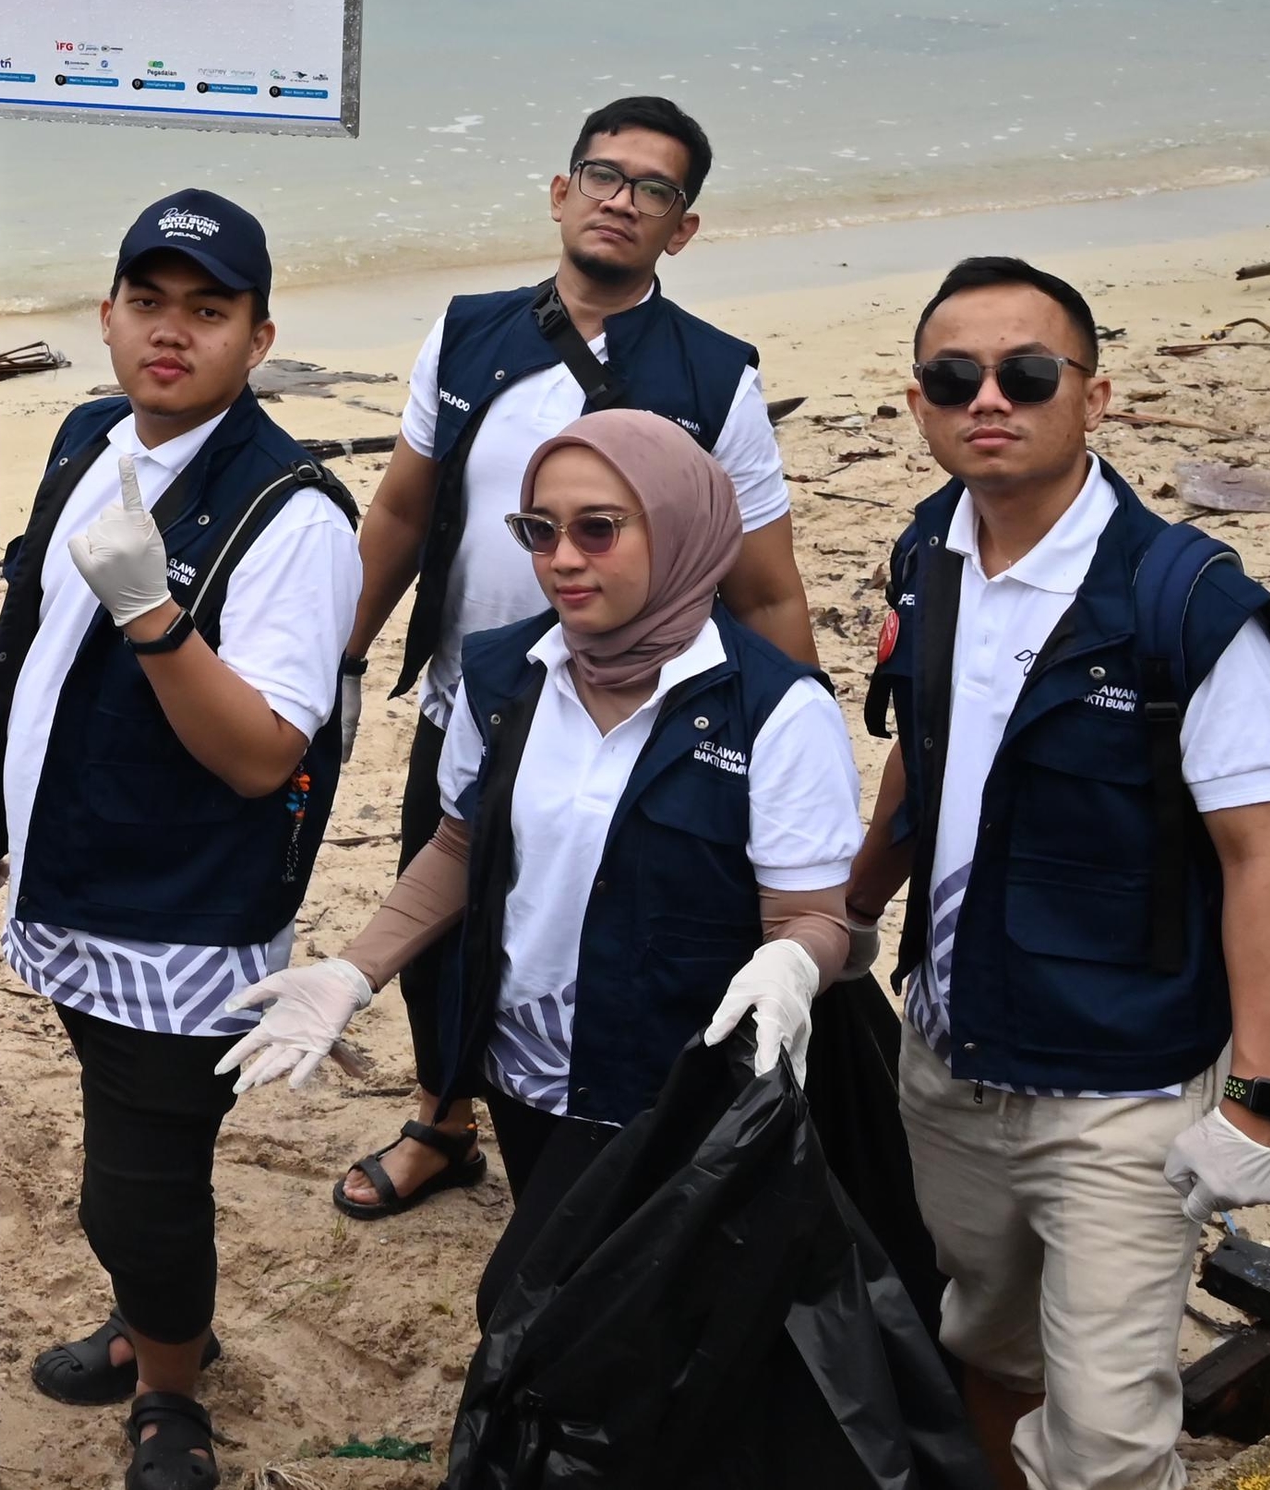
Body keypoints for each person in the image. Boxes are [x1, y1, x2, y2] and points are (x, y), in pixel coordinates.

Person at [217, 409, 862, 1311]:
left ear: (679, 527)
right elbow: (460, 846)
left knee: (532, 1304)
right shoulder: (502, 676)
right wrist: (354, 973)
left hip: (670, 1083)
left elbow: (809, 917)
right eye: (539, 530)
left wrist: (796, 959)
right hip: (522, 1065)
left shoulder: (776, 713)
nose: (563, 558)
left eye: (599, 528)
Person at [840, 259, 1270, 1490]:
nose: (989, 398)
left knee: (1106, 1438)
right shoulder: (925, 555)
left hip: (1124, 1084)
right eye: (956, 377)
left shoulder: (1183, 603)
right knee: (988, 1344)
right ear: (919, 402)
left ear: (1093, 397)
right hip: (951, 1057)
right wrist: (846, 912)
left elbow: (1264, 855)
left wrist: (1260, 1094)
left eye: (1027, 373)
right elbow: (920, 759)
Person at [329, 95, 817, 1218]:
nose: (621, 200)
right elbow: (400, 514)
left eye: (653, 189)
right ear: (561, 193)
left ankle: (605, 1134)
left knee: (599, 933)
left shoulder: (713, 377)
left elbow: (767, 583)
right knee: (446, 924)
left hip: (636, 728)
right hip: (474, 702)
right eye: (603, 175)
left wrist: (788, 735)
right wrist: (338, 662)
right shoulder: (468, 333)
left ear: (680, 230)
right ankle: (443, 1122)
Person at [0, 191, 360, 1490]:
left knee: (140, 1190)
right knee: (124, 1160)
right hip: (71, 882)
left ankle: (170, 1393)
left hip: (178, 916)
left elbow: (267, 753)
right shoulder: (92, 435)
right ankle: (159, 1328)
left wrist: (154, 618)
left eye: (209, 311)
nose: (171, 333)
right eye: (148, 302)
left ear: (260, 338)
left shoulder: (293, 515)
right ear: (105, 316)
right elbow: (31, 642)